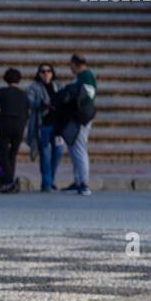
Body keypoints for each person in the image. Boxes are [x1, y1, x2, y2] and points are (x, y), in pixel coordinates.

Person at [57, 53, 97, 195]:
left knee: (79, 150)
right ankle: (78, 181)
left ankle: (84, 183)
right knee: (74, 149)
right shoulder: (82, 77)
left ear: (75, 64)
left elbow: (87, 97)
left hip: (81, 119)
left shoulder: (86, 77)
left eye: (70, 65)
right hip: (77, 118)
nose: (70, 68)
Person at [0, 68, 29, 193]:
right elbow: (27, 111)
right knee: (13, 153)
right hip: (19, 125)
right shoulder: (23, 94)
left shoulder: (2, 92)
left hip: (6, 123)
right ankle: (9, 180)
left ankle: (8, 180)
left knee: (3, 153)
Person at [26, 63, 63, 192]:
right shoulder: (34, 87)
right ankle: (47, 183)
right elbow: (29, 102)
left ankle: (50, 180)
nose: (46, 73)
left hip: (58, 125)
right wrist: (42, 103)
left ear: (52, 73)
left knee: (58, 152)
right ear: (39, 73)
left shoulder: (58, 86)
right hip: (43, 125)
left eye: (48, 71)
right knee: (45, 155)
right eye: (43, 71)